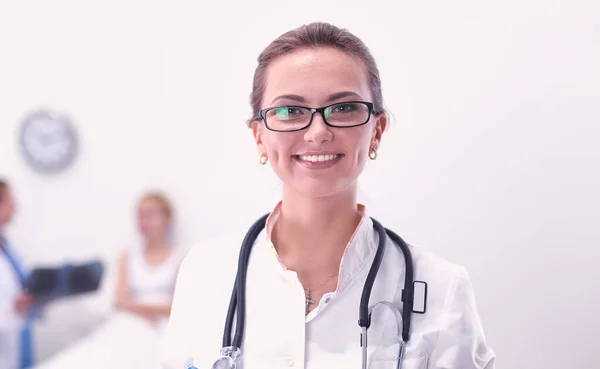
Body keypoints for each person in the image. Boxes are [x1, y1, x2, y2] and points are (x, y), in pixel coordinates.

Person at [159, 22, 496, 369]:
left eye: (344, 108)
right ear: (260, 136)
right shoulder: (205, 273)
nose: (318, 133)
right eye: (290, 111)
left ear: (376, 131)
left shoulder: (442, 288)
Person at [31, 191, 185, 369]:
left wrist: (141, 308)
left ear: (168, 219)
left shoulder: (182, 257)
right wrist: (145, 312)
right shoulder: (128, 257)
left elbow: (177, 305)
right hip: (131, 324)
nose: (144, 222)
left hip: (163, 328)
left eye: (150, 215)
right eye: (140, 216)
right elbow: (120, 300)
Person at [0, 179, 35, 369]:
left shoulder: (7, 248)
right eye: (10, 201)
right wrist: (13, 310)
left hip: (16, 347)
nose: (15, 207)